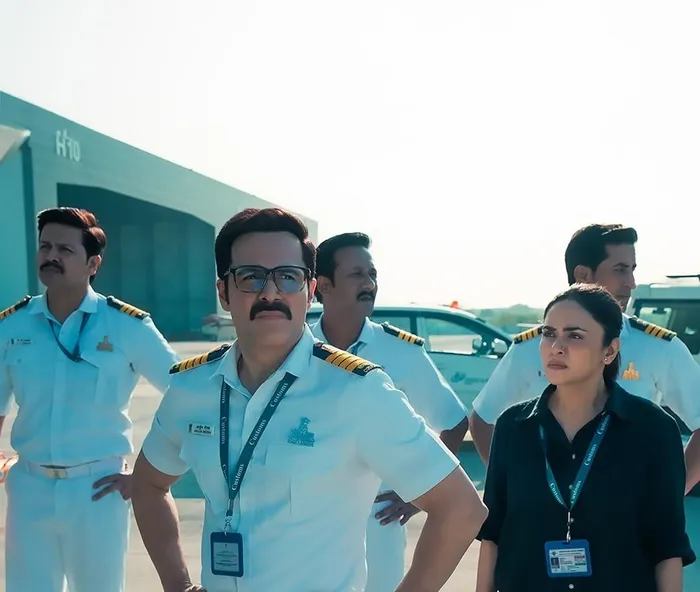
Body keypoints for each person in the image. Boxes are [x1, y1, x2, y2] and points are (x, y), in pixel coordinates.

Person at [131, 207, 487, 592]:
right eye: (250, 277)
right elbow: (147, 484)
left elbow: (461, 510)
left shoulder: (356, 391)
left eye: (288, 277)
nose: (270, 293)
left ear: (311, 290)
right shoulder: (193, 387)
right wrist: (177, 583)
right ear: (224, 293)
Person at [0, 207, 179, 592]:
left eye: (65, 249)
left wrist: (146, 475)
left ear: (93, 264)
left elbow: (184, 394)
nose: (51, 256)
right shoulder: (11, 325)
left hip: (97, 489)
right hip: (29, 488)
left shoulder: (126, 325)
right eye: (45, 247)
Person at [475, 283, 695, 592]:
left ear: (610, 350)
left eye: (574, 336)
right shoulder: (513, 427)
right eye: (549, 334)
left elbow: (667, 545)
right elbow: (493, 534)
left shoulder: (654, 429)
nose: (556, 347)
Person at [469, 223, 700, 493]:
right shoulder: (530, 348)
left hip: (625, 512)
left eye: (632, 270)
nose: (631, 283)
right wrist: (513, 490)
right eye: (620, 270)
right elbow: (482, 419)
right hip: (547, 510)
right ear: (583, 274)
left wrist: (668, 495)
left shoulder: (657, 347)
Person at [310, 231, 469, 592]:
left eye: (372, 275)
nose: (369, 284)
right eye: (357, 274)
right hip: (307, 522)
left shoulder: (400, 352)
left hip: (376, 525)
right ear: (324, 284)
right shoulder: (297, 349)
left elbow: (453, 421)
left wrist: (415, 494)